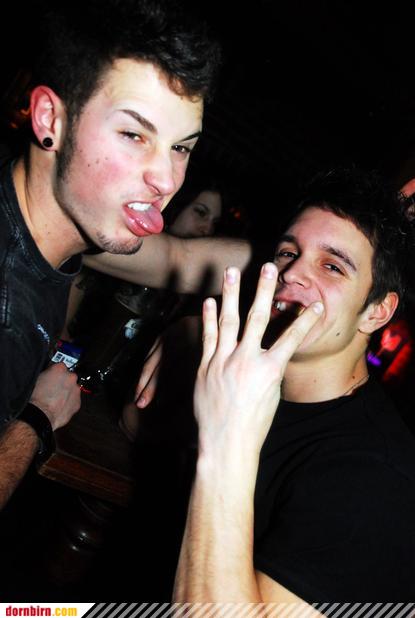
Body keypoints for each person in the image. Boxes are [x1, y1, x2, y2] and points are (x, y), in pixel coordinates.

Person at [0, 0, 240, 509]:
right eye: (134, 135)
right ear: (49, 118)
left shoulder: (56, 224)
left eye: (181, 147)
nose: (167, 180)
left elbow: (180, 260)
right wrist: (38, 418)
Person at [173, 167, 415, 604]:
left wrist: (227, 438)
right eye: (288, 253)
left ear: (376, 312)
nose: (293, 273)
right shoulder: (242, 379)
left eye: (332, 266)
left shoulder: (377, 480)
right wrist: (178, 339)